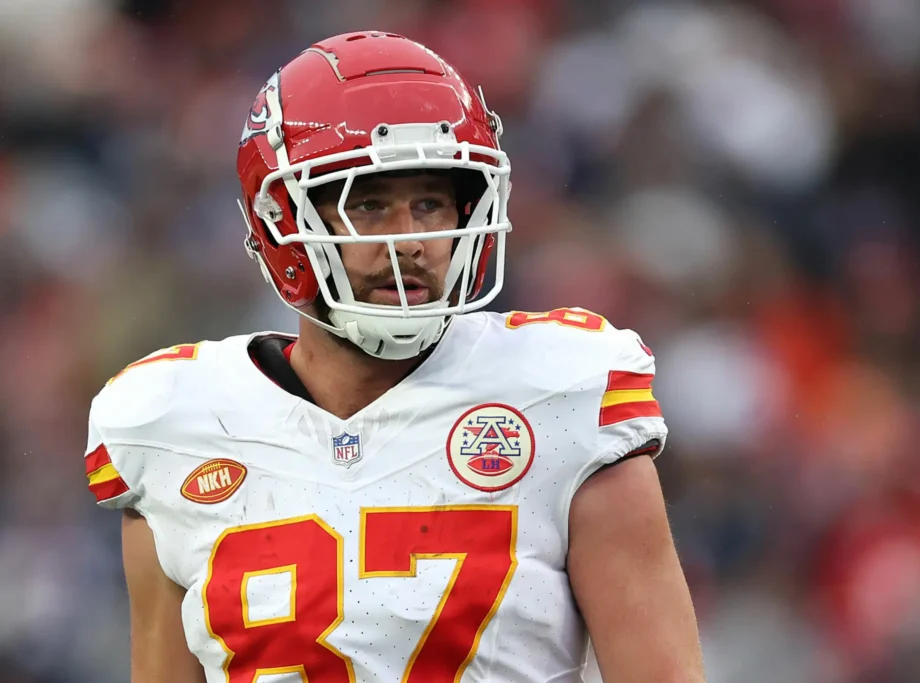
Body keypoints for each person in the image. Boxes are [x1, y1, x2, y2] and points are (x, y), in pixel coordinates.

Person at [83, 31, 706, 683]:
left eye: (430, 202)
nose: (410, 240)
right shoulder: (171, 425)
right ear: (282, 220)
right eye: (369, 205)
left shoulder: (562, 396)